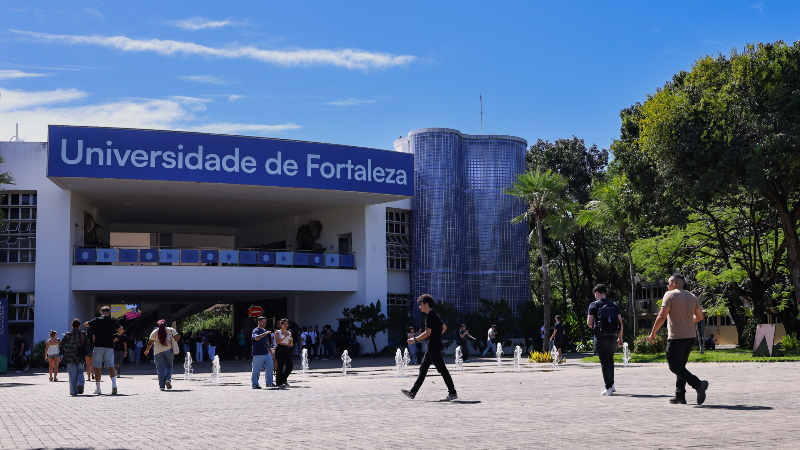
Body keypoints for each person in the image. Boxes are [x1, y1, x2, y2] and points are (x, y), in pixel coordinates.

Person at [649, 274, 709, 405]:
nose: (667, 285)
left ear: (674, 283)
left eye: (668, 282)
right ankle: (680, 395)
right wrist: (687, 319)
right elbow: (699, 317)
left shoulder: (669, 295)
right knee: (681, 367)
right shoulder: (692, 296)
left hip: (677, 338)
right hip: (690, 338)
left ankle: (697, 384)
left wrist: (653, 332)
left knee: (674, 366)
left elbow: (661, 316)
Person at [401, 294, 458, 401]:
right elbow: (444, 327)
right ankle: (413, 392)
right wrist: (437, 335)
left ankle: (452, 393)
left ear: (426, 304)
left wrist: (414, 339)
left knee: (442, 370)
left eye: (421, 304)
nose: (419, 307)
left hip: (433, 347)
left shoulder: (430, 316)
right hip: (432, 346)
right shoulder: (434, 314)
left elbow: (427, 333)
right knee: (423, 369)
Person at [587, 284, 623, 396]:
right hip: (613, 336)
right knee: (610, 360)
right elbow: (620, 323)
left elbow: (589, 323)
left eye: (595, 295)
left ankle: (608, 388)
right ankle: (612, 385)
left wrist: (595, 327)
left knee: (604, 362)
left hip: (600, 336)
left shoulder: (593, 305)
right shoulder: (614, 305)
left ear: (597, 293)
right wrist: (620, 338)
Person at [85, 306, 124, 395]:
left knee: (98, 367)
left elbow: (86, 324)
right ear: (109, 313)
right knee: (111, 366)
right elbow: (121, 329)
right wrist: (118, 331)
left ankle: (98, 389)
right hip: (109, 346)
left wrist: (94, 325)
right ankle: (114, 385)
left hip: (98, 346)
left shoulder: (97, 320)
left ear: (101, 312)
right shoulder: (113, 320)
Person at [144, 320, 180, 391]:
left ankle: (162, 386)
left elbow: (150, 342)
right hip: (169, 351)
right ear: (166, 324)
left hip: (158, 352)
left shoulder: (155, 331)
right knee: (169, 366)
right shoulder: (171, 330)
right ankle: (168, 380)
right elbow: (177, 338)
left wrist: (147, 350)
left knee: (160, 369)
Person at [59, 319, 87, 396]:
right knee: (81, 371)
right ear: (79, 326)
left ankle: (74, 391)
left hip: (70, 355)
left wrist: (64, 352)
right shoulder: (83, 334)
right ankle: (80, 383)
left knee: (72, 374)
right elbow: (87, 343)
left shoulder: (67, 334)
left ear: (72, 326)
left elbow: (61, 345)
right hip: (80, 355)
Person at [251, 316, 275, 389]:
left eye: (265, 322)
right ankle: (255, 384)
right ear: (259, 322)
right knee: (256, 369)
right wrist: (265, 333)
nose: (265, 323)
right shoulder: (256, 330)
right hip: (258, 353)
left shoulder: (264, 330)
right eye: (263, 322)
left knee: (270, 366)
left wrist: (270, 352)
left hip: (266, 353)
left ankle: (269, 383)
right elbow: (256, 338)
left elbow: (267, 342)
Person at [274, 318, 294, 388]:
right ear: (281, 325)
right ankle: (279, 382)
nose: (286, 325)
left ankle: (283, 379)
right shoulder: (278, 332)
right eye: (284, 324)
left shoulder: (289, 333)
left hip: (286, 348)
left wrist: (291, 342)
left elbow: (291, 344)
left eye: (287, 324)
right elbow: (277, 342)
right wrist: (284, 337)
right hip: (279, 348)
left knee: (290, 366)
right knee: (280, 366)